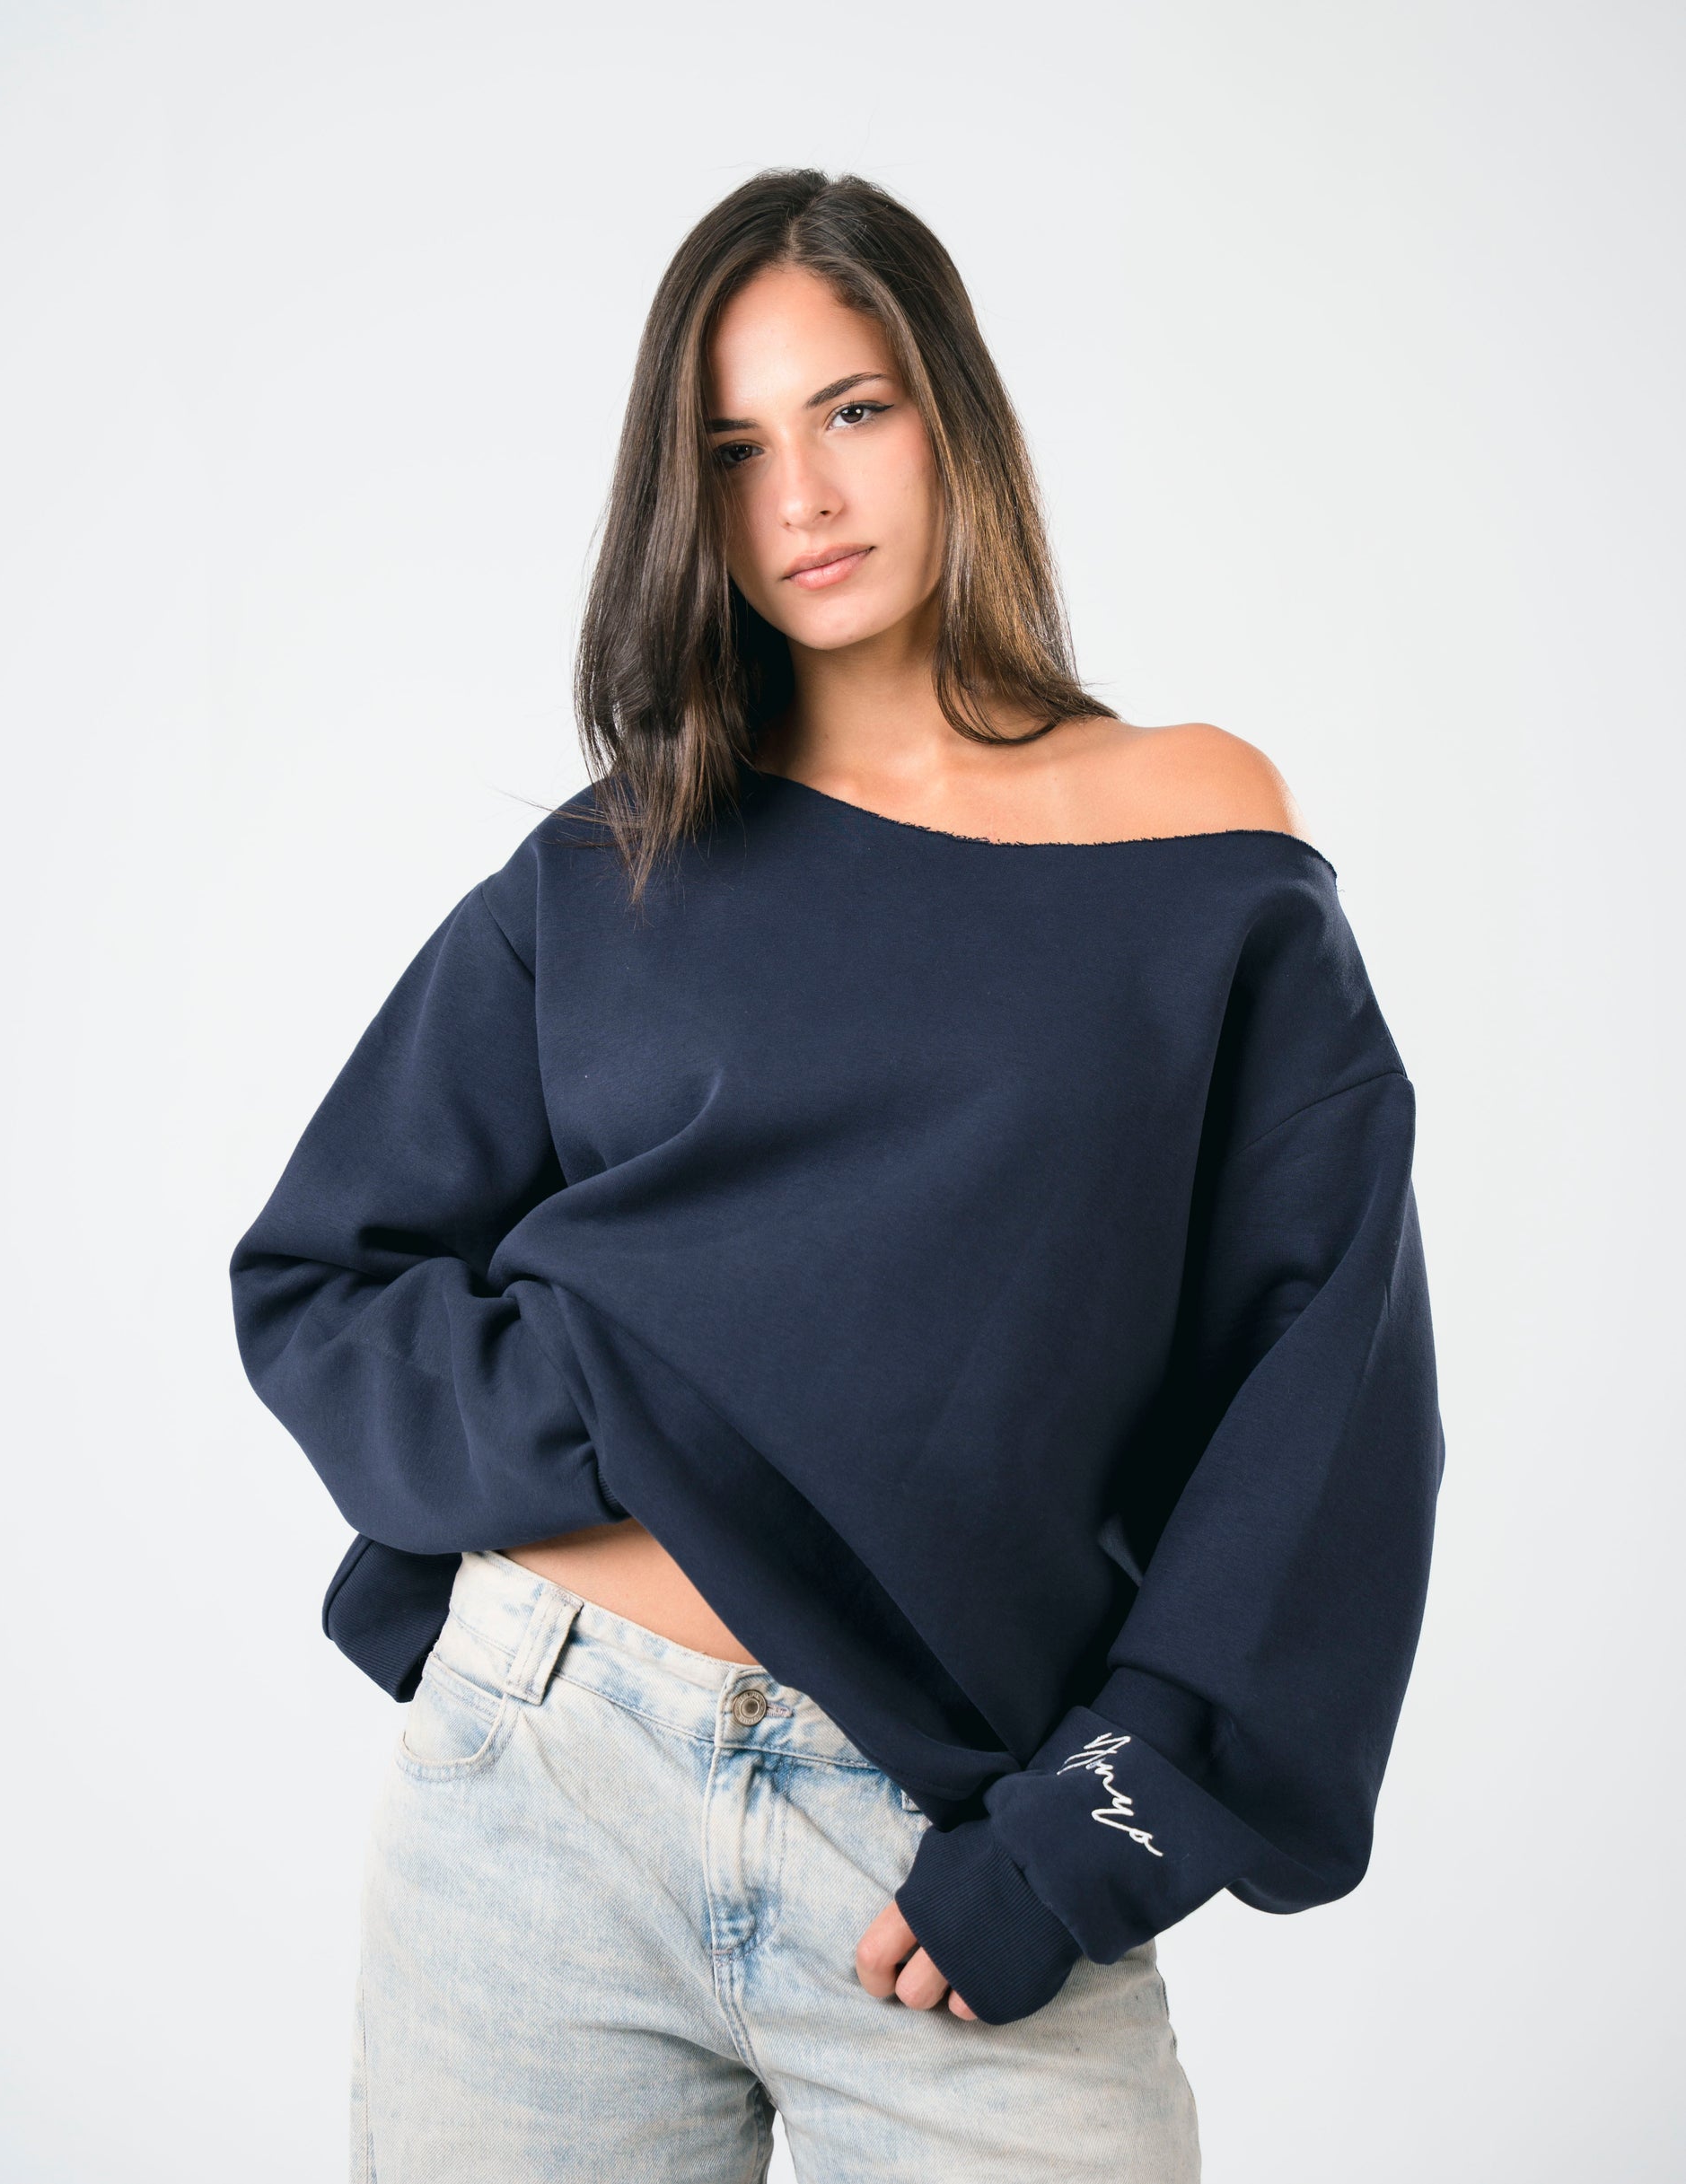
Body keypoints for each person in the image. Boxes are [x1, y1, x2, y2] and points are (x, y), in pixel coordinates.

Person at [229, 167, 1445, 2182]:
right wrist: (631, 1411)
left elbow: (1321, 1394)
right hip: (540, 1773)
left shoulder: (1196, 837)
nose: (798, 495)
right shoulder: (611, 864)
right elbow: (325, 1273)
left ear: (951, 412)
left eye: (850, 409)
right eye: (731, 450)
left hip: (945, 1823)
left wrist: (1088, 1835)